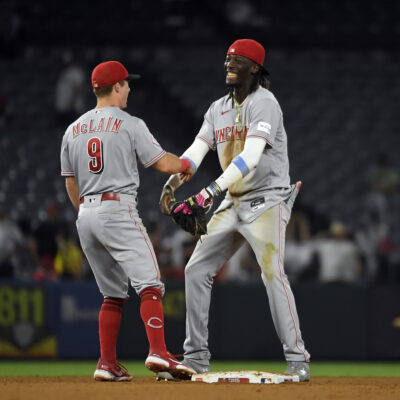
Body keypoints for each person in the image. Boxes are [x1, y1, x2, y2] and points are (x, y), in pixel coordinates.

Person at [160, 39, 310, 381]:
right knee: (196, 269)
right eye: (227, 58)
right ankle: (196, 358)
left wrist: (210, 191)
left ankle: (297, 359)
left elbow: (251, 156)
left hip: (267, 198)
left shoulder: (265, 103)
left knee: (272, 272)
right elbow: (196, 151)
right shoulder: (217, 109)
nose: (228, 63)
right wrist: (172, 183)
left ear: (254, 68)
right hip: (233, 200)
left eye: (237, 59)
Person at [60, 60, 195, 381]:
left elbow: (70, 182)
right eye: (126, 83)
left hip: (85, 214)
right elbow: (164, 164)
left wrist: (86, 212)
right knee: (150, 284)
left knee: (112, 294)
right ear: (117, 86)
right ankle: (158, 351)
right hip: (116, 209)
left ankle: (107, 363)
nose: (130, 88)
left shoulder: (72, 129)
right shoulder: (129, 123)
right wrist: (186, 163)